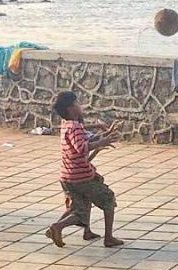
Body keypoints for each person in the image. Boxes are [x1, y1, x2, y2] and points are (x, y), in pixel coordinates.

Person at [45, 91, 123, 247]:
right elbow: (81, 148)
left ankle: (74, 231)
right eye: (77, 103)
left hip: (68, 176)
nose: (80, 106)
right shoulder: (75, 127)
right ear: (70, 109)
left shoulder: (67, 124)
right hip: (80, 177)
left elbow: (84, 139)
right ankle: (108, 238)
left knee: (80, 206)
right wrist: (101, 142)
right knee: (107, 199)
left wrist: (103, 135)